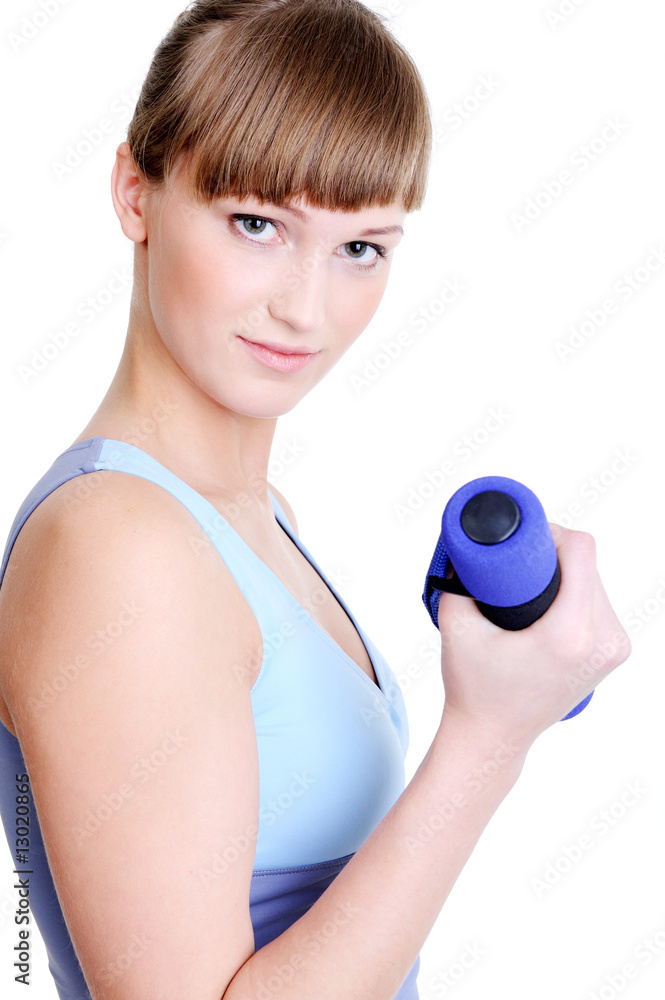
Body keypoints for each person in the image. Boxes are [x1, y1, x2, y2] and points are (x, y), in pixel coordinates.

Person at [0, 1, 630, 998]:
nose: (307, 307)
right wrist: (488, 736)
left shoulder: (251, 515)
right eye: (257, 224)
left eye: (360, 248)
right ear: (134, 191)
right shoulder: (119, 542)